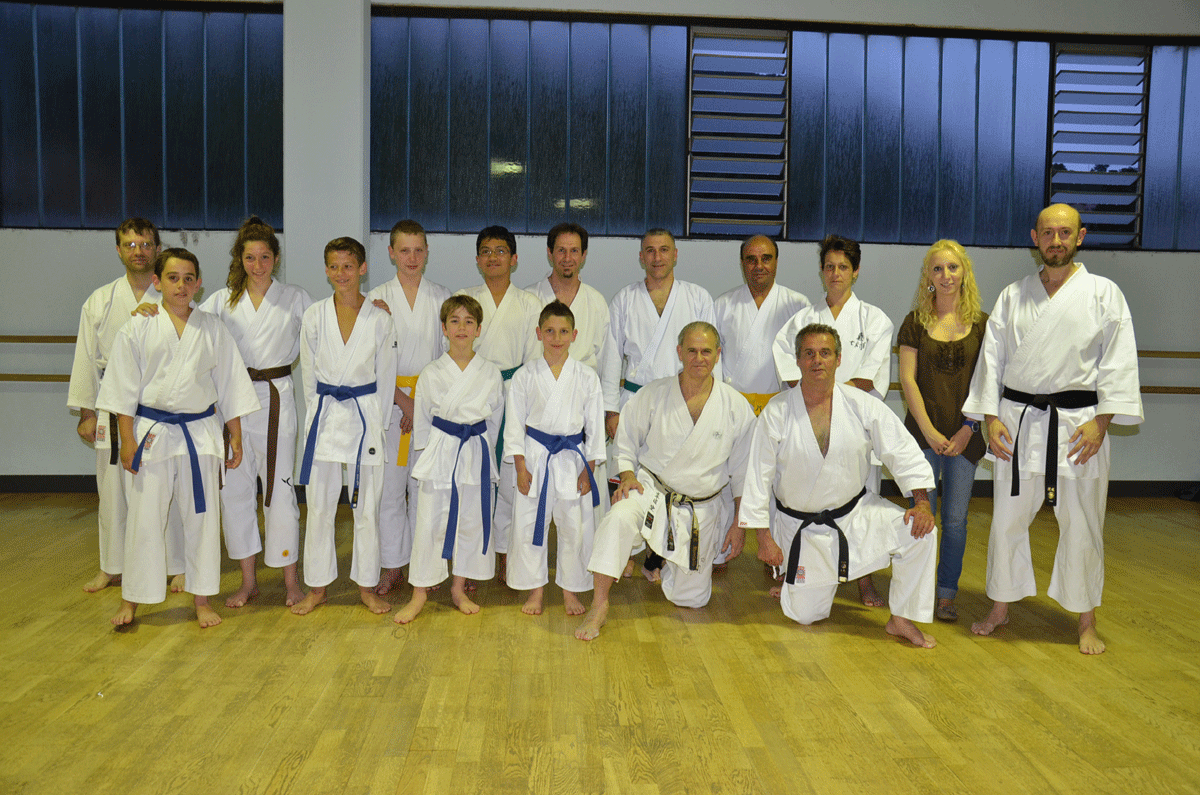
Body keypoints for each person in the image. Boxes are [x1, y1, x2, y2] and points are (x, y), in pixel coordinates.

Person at [964, 203, 1143, 655]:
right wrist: (990, 418)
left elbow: (1118, 363)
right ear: (1035, 238)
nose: (1056, 241)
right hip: (1018, 422)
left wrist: (1102, 422)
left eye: (1065, 233)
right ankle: (1000, 606)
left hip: (1079, 426)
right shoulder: (1013, 296)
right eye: (1048, 233)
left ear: (1080, 236)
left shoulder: (1104, 294)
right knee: (1007, 519)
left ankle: (1086, 620)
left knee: (1082, 523)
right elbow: (992, 361)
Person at [743, 324, 939, 648]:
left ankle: (902, 618)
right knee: (805, 616)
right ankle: (797, 582)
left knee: (921, 532)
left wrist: (921, 502)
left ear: (838, 359)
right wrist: (763, 538)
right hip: (803, 528)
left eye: (825, 353)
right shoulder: (776, 412)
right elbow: (757, 478)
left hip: (856, 516)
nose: (817, 360)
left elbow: (901, 450)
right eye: (809, 354)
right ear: (797, 360)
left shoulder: (862, 404)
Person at [96, 248, 259, 628]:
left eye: (188, 279)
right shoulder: (138, 326)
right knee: (144, 518)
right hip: (152, 434)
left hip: (200, 435)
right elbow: (122, 389)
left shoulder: (212, 328)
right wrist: (127, 441)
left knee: (202, 519)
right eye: (172, 278)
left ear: (199, 283)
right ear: (157, 282)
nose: (181, 286)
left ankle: (202, 598)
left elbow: (230, 384)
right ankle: (131, 600)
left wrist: (235, 435)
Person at [575, 322, 755, 641]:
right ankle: (599, 604)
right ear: (679, 352)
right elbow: (626, 439)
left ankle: (656, 557)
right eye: (691, 351)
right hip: (652, 489)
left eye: (706, 351)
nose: (698, 358)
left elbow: (743, 472)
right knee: (618, 517)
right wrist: (627, 474)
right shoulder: (655, 393)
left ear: (718, 354)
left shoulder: (735, 406)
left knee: (692, 600)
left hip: (701, 508)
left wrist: (739, 524)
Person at [183, 217, 313, 608]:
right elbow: (183, 316)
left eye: (265, 257)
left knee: (280, 491)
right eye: (250, 257)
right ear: (240, 259)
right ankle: (248, 581)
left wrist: (368, 306)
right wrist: (150, 311)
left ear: (276, 258)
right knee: (235, 492)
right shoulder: (221, 301)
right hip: (233, 403)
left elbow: (328, 324)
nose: (258, 265)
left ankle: (291, 581)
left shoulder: (294, 298)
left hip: (276, 398)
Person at [771, 235, 894, 607]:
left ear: (856, 271)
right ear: (821, 271)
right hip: (809, 425)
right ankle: (794, 572)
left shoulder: (875, 320)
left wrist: (827, 396)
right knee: (803, 498)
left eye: (843, 267)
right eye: (829, 267)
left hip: (855, 428)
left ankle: (863, 581)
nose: (836, 273)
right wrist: (815, 397)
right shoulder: (803, 320)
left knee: (860, 505)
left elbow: (869, 378)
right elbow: (787, 365)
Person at [68, 218, 186, 593]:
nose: (139, 251)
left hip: (159, 408)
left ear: (157, 249)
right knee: (112, 492)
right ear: (119, 250)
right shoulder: (100, 301)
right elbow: (86, 358)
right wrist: (87, 413)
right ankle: (112, 566)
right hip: (111, 402)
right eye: (131, 245)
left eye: (146, 244)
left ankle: (177, 565)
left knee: (166, 488)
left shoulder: (174, 297)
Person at [605, 229, 721, 579]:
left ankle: (661, 552)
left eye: (664, 250)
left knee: (671, 474)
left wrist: (710, 404)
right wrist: (611, 408)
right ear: (641, 257)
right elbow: (612, 356)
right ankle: (627, 548)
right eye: (650, 251)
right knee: (627, 471)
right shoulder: (624, 299)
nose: (657, 257)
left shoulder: (697, 297)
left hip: (682, 399)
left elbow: (711, 353)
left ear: (675, 255)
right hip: (635, 398)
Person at [292, 237, 398, 616]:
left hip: (365, 417)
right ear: (326, 270)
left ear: (362, 269)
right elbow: (308, 376)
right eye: (334, 267)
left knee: (366, 508)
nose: (341, 274)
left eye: (348, 266)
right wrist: (315, 418)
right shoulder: (314, 316)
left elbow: (386, 378)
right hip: (324, 415)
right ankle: (317, 587)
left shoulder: (380, 319)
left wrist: (377, 425)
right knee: (319, 507)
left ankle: (366, 587)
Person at [395, 295, 505, 624]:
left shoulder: (490, 373)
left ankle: (459, 588)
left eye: (469, 322)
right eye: (454, 321)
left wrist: (484, 452)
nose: (462, 327)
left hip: (475, 452)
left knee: (470, 522)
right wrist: (426, 458)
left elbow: (494, 421)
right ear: (443, 328)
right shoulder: (431, 372)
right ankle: (419, 593)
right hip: (441, 452)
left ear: (479, 329)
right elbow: (422, 421)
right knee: (429, 522)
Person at [896, 240, 988, 622]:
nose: (946, 275)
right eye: (937, 268)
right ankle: (915, 593)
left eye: (952, 267)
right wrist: (930, 432)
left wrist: (968, 428)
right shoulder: (914, 322)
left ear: (964, 272)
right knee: (921, 515)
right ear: (928, 276)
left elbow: (987, 384)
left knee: (954, 521)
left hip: (966, 438)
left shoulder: (983, 324)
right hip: (922, 438)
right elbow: (907, 381)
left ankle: (946, 594)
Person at [504, 301, 605, 616]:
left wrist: (588, 470)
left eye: (563, 331)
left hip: (573, 459)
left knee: (574, 528)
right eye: (549, 331)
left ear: (574, 335)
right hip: (535, 457)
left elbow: (595, 428)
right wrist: (520, 467)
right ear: (538, 333)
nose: (556, 338)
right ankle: (535, 591)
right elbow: (514, 425)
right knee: (528, 525)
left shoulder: (587, 376)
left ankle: (570, 591)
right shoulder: (524, 375)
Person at [368, 220, 452, 596]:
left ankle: (424, 566)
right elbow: (370, 361)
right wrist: (403, 403)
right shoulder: (376, 299)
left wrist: (421, 406)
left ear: (427, 252)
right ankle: (392, 566)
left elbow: (450, 358)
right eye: (404, 250)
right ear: (391, 253)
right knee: (389, 491)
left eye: (418, 250)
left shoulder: (442, 297)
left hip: (429, 406)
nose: (412, 257)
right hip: (390, 406)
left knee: (425, 491)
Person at [456, 226, 542, 579]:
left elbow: (534, 362)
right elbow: (454, 348)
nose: (493, 257)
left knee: (509, 478)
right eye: (487, 251)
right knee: (473, 475)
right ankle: (472, 555)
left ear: (514, 259)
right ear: (477, 259)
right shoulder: (464, 298)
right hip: (473, 392)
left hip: (512, 392)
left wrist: (526, 404)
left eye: (501, 251)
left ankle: (505, 550)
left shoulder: (529, 304)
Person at [714, 235, 810, 415]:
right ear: (742, 263)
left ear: (776, 262)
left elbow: (808, 357)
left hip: (782, 407)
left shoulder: (798, 305)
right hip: (733, 406)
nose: (759, 266)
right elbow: (714, 359)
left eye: (766, 259)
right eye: (751, 260)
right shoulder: (723, 305)